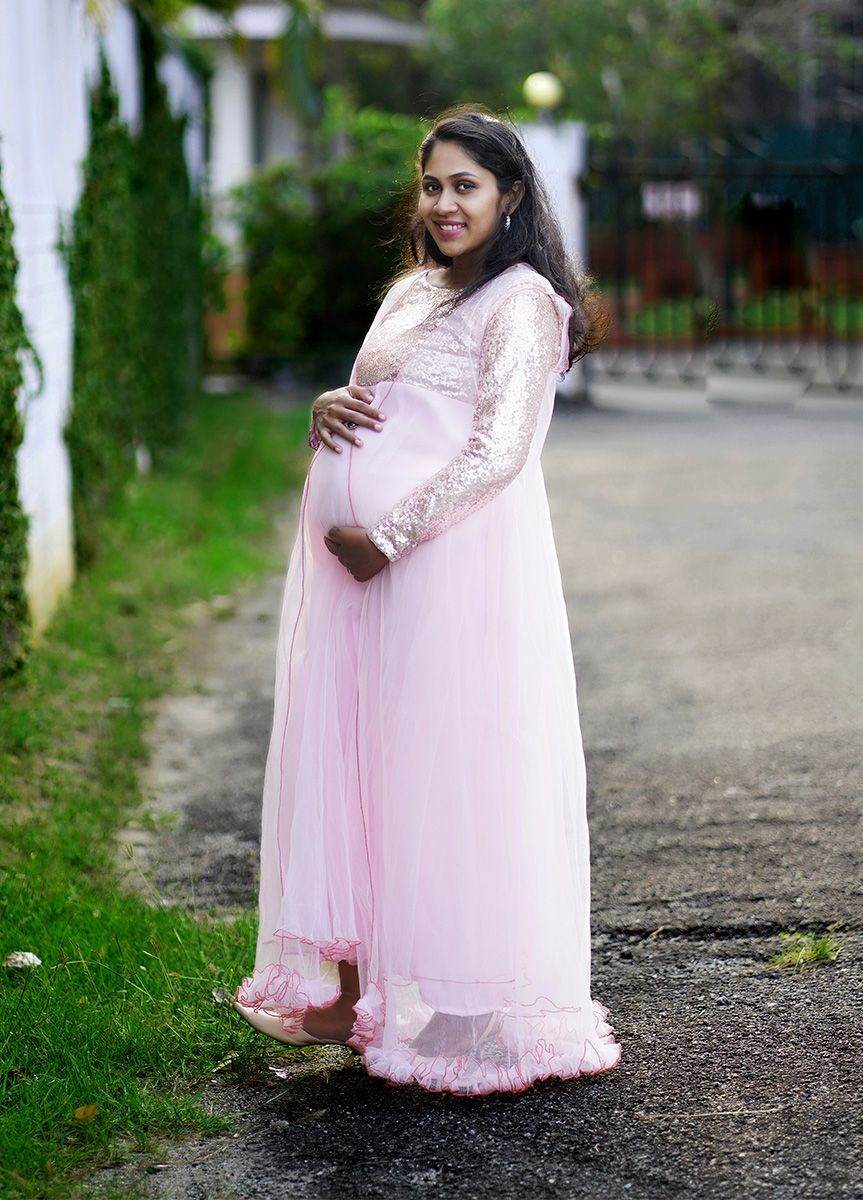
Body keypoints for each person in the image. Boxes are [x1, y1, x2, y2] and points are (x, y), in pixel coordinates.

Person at [232, 105, 622, 1097]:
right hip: (356, 575)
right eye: (434, 184)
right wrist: (328, 405)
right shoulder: (411, 290)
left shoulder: (523, 303)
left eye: (467, 186)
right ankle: (359, 990)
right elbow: (382, 398)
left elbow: (500, 450)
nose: (446, 203)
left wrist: (391, 535)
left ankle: (461, 998)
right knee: (361, 761)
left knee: (442, 767)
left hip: (442, 570)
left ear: (510, 198)